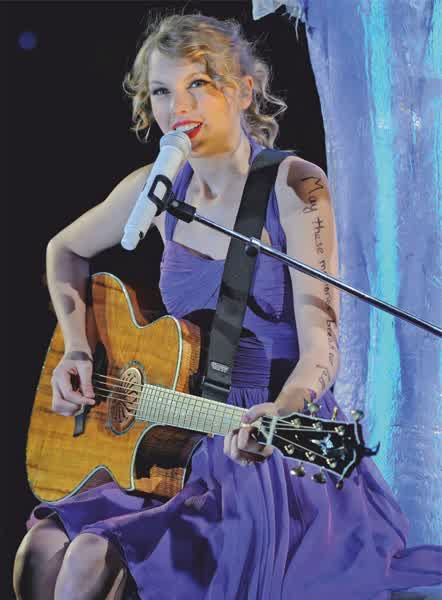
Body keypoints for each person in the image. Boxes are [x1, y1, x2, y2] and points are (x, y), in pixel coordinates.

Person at [13, 12, 442, 600]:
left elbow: (322, 351)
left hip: (265, 439)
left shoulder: (297, 186)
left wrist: (279, 415)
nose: (178, 106)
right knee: (39, 550)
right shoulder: (158, 190)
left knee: (90, 556)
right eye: (161, 91)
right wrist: (79, 350)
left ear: (243, 90)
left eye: (199, 83)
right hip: (175, 429)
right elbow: (63, 250)